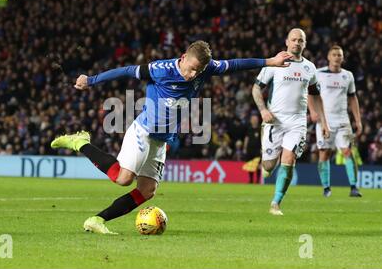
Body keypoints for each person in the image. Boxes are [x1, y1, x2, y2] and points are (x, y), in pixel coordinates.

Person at [51, 40, 291, 234]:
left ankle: (96, 220)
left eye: (198, 71)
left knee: (147, 191)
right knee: (124, 179)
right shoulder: (161, 69)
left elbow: (237, 64)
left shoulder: (207, 69)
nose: (192, 74)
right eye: (190, 68)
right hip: (143, 131)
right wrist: (91, 80)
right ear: (183, 57)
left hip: (161, 139)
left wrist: (271, 61)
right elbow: (125, 71)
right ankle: (80, 141)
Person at [252, 28, 330, 216]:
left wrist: (324, 123)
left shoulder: (309, 68)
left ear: (305, 44)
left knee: (289, 159)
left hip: (297, 122)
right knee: (269, 166)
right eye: (294, 39)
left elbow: (315, 96)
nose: (297, 43)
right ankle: (268, 157)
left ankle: (275, 203)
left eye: (300, 40)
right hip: (274, 120)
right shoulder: (275, 63)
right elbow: (256, 89)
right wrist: (263, 110)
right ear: (287, 41)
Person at [308, 45, 363, 197]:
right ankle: (326, 188)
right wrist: (312, 111)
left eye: (339, 55)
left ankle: (353, 187)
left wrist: (358, 120)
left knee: (347, 151)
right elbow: (310, 94)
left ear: (343, 58)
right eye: (334, 55)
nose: (337, 57)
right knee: (324, 154)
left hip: (343, 120)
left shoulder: (348, 76)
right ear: (328, 57)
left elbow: (353, 98)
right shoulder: (318, 74)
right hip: (324, 120)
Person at [243, 113, 262, 184]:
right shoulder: (249, 129)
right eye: (253, 119)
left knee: (258, 165)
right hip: (249, 149)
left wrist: (262, 148)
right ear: (251, 120)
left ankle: (257, 180)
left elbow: (263, 139)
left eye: (255, 119)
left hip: (257, 150)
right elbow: (246, 138)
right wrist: (245, 147)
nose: (254, 121)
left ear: (258, 120)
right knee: (250, 165)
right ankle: (251, 180)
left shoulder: (260, 129)